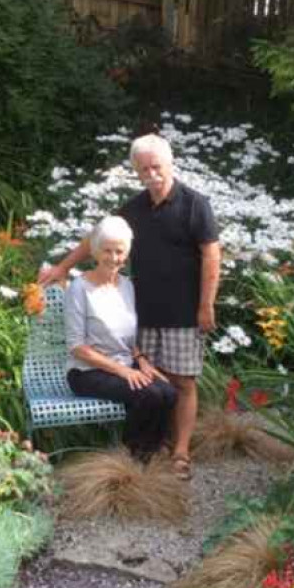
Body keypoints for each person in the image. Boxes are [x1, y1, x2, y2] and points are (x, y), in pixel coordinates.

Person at [41, 134, 221, 480]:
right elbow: (97, 237)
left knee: (182, 383)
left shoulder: (195, 205)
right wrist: (63, 268)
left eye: (157, 167)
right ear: (136, 171)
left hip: (184, 312)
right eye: (143, 169)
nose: (151, 174)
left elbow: (211, 255)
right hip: (143, 313)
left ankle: (180, 452)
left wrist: (206, 305)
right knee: (156, 384)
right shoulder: (135, 209)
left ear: (170, 164)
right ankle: (153, 450)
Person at [65, 216, 178, 463]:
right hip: (87, 371)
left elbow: (126, 337)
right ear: (95, 251)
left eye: (119, 251)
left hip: (125, 362)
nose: (114, 258)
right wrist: (124, 371)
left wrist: (141, 361)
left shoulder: (126, 286)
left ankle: (151, 454)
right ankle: (132, 458)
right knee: (149, 395)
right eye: (107, 250)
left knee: (168, 392)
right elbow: (77, 347)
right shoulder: (79, 288)